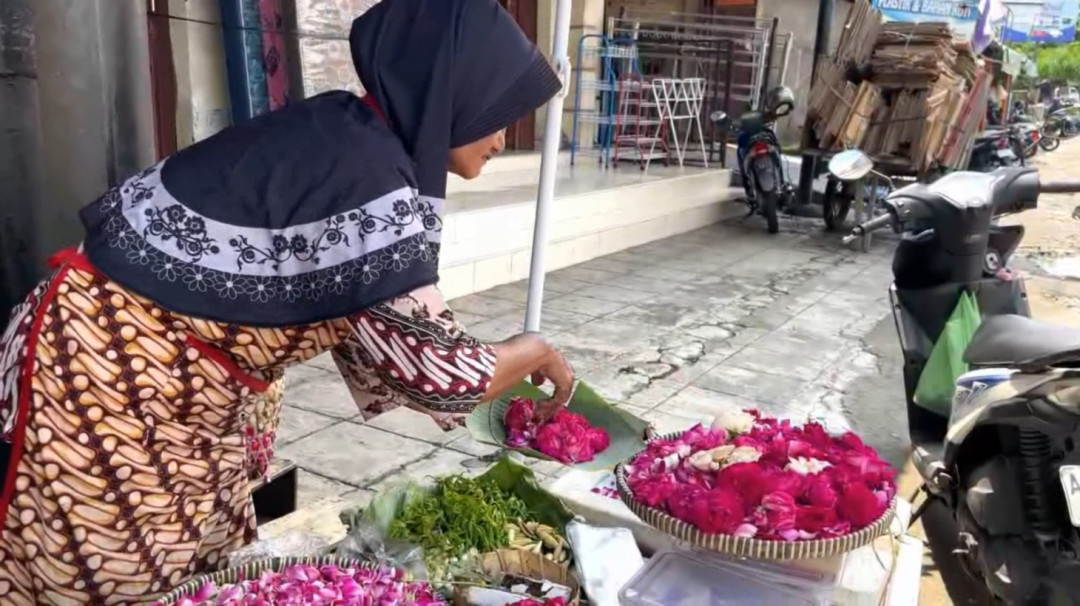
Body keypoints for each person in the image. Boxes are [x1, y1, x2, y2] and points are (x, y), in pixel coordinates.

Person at [0, 0, 573, 602]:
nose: (504, 139)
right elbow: (438, 377)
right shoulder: (366, 176)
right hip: (103, 378)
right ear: (453, 93)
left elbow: (366, 324)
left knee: (203, 567)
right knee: (116, 576)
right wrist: (532, 349)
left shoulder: (345, 133)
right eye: (497, 115)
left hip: (160, 377)